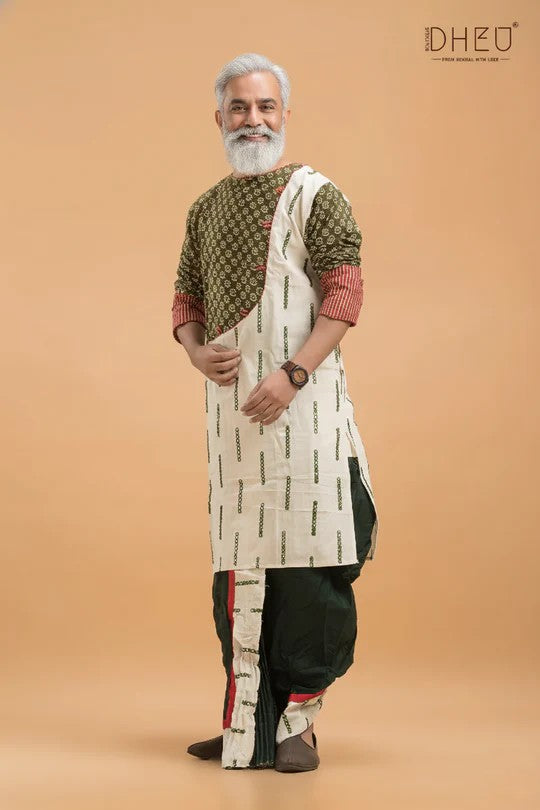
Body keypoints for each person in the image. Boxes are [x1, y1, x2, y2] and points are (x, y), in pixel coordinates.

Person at [172, 52, 379, 772]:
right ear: (220, 117)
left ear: (284, 114)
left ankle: (298, 725)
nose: (252, 120)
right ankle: (246, 727)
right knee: (238, 569)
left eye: (265, 107)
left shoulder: (316, 194)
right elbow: (186, 298)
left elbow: (345, 294)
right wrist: (195, 351)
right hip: (233, 421)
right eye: (239, 107)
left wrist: (292, 375)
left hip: (306, 415)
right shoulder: (205, 208)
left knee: (312, 570)